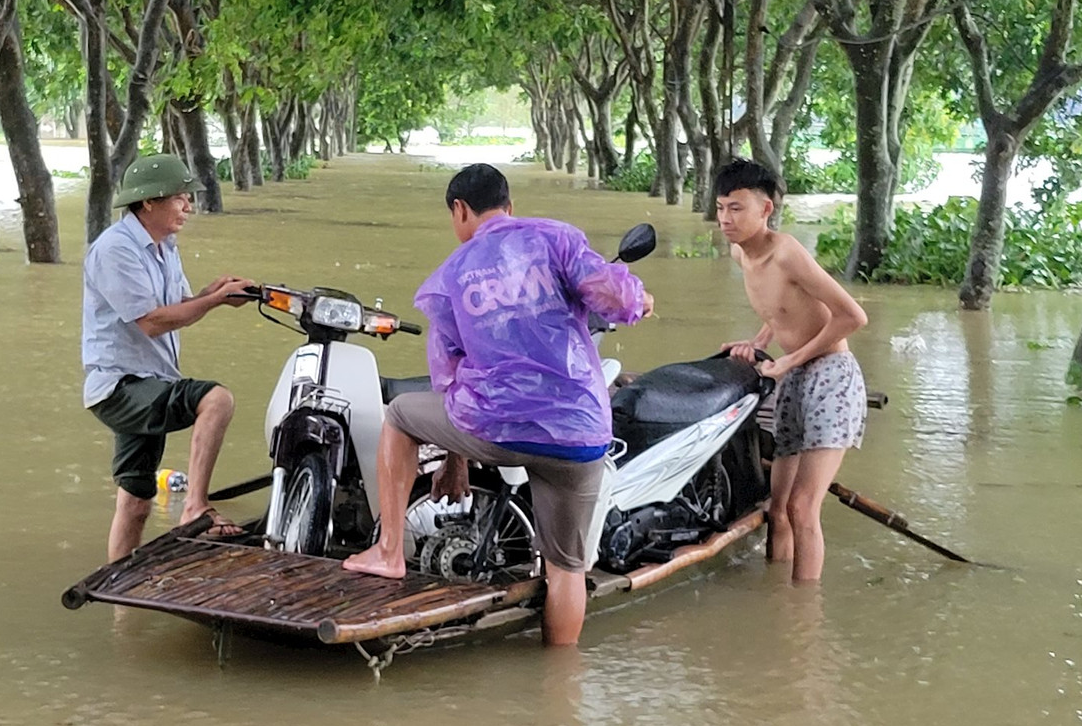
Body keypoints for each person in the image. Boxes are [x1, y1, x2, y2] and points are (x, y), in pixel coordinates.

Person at [342, 164, 652, 647]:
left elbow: (448, 380)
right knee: (567, 569)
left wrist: (456, 455)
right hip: (578, 433)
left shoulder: (447, 279)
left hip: (494, 430)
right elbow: (615, 297)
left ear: (460, 210)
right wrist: (640, 300)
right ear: (509, 206)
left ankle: (388, 552)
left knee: (401, 414)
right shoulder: (558, 238)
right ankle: (559, 690)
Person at [82, 154, 256, 561]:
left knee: (136, 501)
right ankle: (195, 505)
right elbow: (153, 322)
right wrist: (213, 303)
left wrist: (213, 293)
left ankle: (120, 600)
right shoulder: (115, 249)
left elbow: (175, 305)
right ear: (148, 203)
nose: (188, 207)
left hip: (149, 381)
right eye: (180, 198)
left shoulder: (165, 246)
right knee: (217, 400)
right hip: (120, 387)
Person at [713, 156, 869, 584]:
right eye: (721, 207)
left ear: (766, 210)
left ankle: (804, 619)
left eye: (737, 208)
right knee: (777, 507)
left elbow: (852, 316)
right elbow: (781, 307)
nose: (725, 218)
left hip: (832, 376)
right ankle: (780, 611)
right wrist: (759, 343)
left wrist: (790, 359)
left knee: (803, 507)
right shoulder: (739, 253)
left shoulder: (787, 253)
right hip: (793, 376)